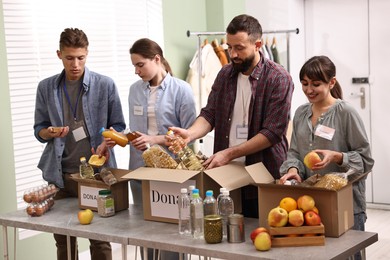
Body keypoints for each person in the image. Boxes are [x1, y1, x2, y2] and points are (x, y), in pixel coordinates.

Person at [167, 14, 294, 218]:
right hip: (226, 175)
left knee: (263, 237)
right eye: (230, 47)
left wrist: (229, 153)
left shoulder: (278, 79)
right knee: (230, 237)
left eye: (240, 48)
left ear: (258, 45)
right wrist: (189, 135)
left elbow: (272, 133)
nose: (233, 53)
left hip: (264, 174)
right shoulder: (225, 74)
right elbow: (210, 114)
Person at [33, 28, 126, 260]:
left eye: (80, 58)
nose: (75, 64)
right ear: (59, 55)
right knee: (64, 240)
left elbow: (119, 126)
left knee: (99, 238)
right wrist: (50, 132)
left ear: (87, 54)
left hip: (96, 176)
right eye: (69, 58)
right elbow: (39, 130)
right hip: (60, 176)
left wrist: (110, 139)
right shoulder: (46, 88)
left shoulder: (105, 85)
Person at [104, 38, 196, 260]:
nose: (136, 71)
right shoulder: (135, 90)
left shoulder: (182, 90)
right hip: (139, 171)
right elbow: (135, 132)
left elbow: (188, 136)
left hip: (170, 173)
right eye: (134, 66)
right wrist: (119, 138)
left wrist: (154, 139)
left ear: (157, 59)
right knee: (145, 231)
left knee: (171, 234)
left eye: (140, 64)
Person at [279, 55, 374, 260]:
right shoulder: (301, 113)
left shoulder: (345, 112)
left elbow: (365, 160)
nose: (309, 90)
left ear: (331, 82)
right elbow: (294, 152)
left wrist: (338, 157)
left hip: (347, 204)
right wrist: (293, 170)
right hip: (311, 204)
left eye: (316, 84)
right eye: (304, 84)